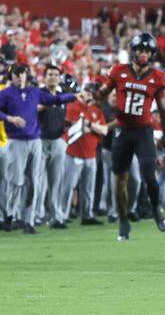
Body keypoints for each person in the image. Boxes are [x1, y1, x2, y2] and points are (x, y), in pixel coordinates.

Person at [91, 32, 165, 240]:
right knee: (120, 180)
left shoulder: (157, 76)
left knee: (150, 177)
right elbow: (102, 95)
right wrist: (94, 91)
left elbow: (163, 110)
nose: (143, 54)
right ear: (132, 51)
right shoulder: (118, 71)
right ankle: (123, 221)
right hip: (123, 131)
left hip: (144, 132)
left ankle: (156, 209)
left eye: (147, 50)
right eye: (140, 50)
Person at [0, 65, 79, 233]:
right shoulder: (6, 94)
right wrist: (9, 117)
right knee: (15, 181)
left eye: (23, 74)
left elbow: (54, 99)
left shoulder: (34, 92)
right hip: (15, 141)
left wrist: (74, 96)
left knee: (34, 182)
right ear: (11, 76)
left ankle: (28, 221)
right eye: (17, 75)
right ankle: (9, 214)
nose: (20, 78)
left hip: (35, 141)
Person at [64, 86, 107, 225]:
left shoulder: (96, 111)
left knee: (88, 188)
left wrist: (88, 124)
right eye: (87, 91)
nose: (89, 94)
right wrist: (93, 126)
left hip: (91, 154)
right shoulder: (73, 106)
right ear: (81, 92)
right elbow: (73, 126)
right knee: (69, 186)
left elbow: (105, 130)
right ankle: (61, 216)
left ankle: (87, 215)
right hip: (74, 153)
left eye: (92, 93)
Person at [36, 65, 71, 229]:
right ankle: (36, 216)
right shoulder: (37, 94)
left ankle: (55, 217)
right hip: (40, 141)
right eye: (50, 74)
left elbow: (66, 119)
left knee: (56, 182)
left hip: (57, 141)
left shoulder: (62, 97)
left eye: (56, 75)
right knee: (38, 182)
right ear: (44, 77)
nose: (53, 77)